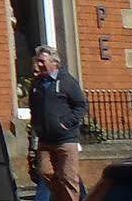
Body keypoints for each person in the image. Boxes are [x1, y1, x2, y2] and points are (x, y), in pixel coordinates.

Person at [28, 45, 88, 201]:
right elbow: (33, 109)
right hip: (45, 140)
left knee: (68, 177)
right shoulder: (37, 84)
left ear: (54, 62)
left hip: (65, 140)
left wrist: (66, 123)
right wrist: (35, 129)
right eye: (37, 60)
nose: (39, 64)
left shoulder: (66, 81)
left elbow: (81, 105)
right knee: (45, 172)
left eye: (42, 61)